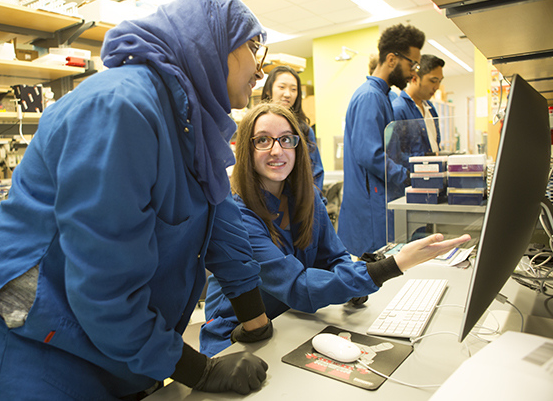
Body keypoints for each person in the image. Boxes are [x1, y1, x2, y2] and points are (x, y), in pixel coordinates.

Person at [0, 0, 276, 400]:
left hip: (115, 344)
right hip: (42, 340)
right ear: (211, 40)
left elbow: (219, 222)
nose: (261, 70)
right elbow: (103, 287)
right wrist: (198, 371)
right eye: (255, 48)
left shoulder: (192, 122)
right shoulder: (121, 107)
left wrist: (255, 319)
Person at [198, 102, 470, 357]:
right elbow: (298, 286)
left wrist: (352, 285)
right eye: (263, 140)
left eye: (286, 139)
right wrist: (391, 266)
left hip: (290, 322)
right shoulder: (239, 215)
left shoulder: (307, 198)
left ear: (298, 146)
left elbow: (335, 258)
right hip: (240, 337)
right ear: (247, 149)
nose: (277, 150)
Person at [339, 23, 425, 257]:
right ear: (391, 59)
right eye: (412, 64)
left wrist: (420, 168)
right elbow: (371, 155)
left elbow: (390, 151)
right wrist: (406, 176)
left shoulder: (382, 96)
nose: (413, 73)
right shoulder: (370, 97)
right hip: (371, 208)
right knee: (375, 276)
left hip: (378, 201)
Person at [261, 65, 324, 192]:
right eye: (281, 87)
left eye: (294, 89)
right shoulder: (257, 126)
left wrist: (310, 201)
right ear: (268, 90)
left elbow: (316, 173)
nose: (287, 94)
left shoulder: (304, 131)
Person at [391, 54, 446, 159]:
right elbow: (395, 156)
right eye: (433, 81)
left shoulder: (430, 108)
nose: (437, 87)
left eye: (440, 81)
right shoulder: (399, 109)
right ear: (415, 78)